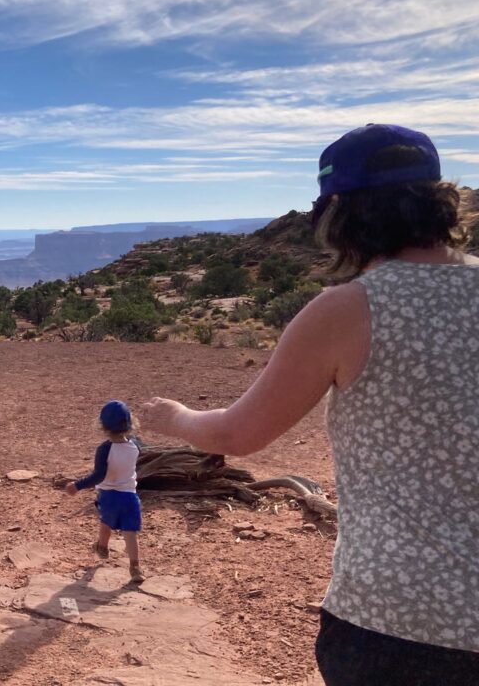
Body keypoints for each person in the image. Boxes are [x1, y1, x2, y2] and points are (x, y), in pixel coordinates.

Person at [140, 123, 479, 685]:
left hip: (402, 619)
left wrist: (175, 418)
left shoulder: (347, 310)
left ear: (340, 213)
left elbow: (237, 435)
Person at [65, 399, 144, 583]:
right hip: (130, 497)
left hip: (109, 496)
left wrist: (77, 485)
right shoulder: (135, 445)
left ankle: (102, 546)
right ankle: (135, 566)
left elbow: (99, 475)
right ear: (130, 423)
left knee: (106, 522)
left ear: (103, 426)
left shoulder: (104, 448)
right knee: (130, 533)